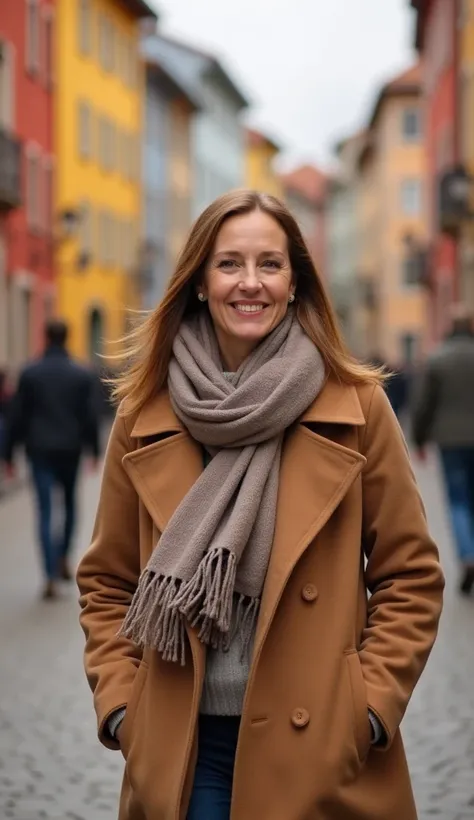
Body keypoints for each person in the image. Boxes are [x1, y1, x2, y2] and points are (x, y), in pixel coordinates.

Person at [77, 190, 444, 820]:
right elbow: (107, 581)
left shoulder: (356, 408)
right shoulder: (144, 414)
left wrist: (368, 711)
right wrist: (122, 710)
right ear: (198, 282)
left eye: (270, 264)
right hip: (184, 749)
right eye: (229, 264)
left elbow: (409, 575)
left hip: (321, 752)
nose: (251, 283)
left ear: (295, 282)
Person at [2, 319, 101, 599]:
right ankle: (63, 559)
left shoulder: (30, 374)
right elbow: (90, 417)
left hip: (39, 451)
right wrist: (94, 451)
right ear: (68, 337)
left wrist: (8, 455)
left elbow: (16, 417)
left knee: (45, 511)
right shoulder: (80, 375)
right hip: (70, 450)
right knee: (70, 505)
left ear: (45, 336)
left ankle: (49, 574)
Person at [413, 303, 474, 596]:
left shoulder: (438, 359)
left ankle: (467, 555)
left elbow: (423, 404)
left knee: (458, 500)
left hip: (448, 440)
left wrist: (419, 440)